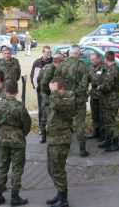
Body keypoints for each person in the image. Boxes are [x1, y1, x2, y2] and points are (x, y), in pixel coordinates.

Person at [0, 80, 31, 206]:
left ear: (6, 90)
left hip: (2, 140)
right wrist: (21, 134)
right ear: (17, 91)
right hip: (17, 141)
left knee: (2, 166)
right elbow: (27, 124)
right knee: (17, 168)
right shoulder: (20, 106)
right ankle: (15, 196)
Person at [54, 44, 89, 157]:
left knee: (65, 123)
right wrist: (75, 93)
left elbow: (56, 82)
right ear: (78, 53)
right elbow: (84, 83)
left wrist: (64, 94)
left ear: (69, 53)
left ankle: (65, 149)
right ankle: (82, 149)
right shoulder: (81, 65)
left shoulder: (61, 64)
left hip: (64, 99)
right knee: (80, 124)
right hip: (78, 99)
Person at [46, 77, 75, 207]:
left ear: (62, 89)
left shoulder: (69, 98)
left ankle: (64, 200)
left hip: (61, 140)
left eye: (55, 90)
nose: (53, 93)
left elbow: (56, 105)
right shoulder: (57, 98)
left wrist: (53, 93)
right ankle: (59, 193)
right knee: (51, 169)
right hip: (53, 139)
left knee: (58, 170)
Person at [97, 51, 119, 152]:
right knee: (106, 121)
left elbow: (107, 86)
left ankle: (115, 144)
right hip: (108, 100)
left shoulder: (112, 70)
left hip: (111, 101)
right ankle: (108, 140)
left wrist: (99, 87)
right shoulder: (113, 68)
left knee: (111, 122)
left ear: (105, 58)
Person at [38, 53, 65, 143]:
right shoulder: (51, 69)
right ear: (58, 61)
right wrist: (50, 93)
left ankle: (47, 134)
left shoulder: (48, 67)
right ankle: (44, 135)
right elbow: (44, 83)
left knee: (49, 115)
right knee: (46, 115)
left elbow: (39, 79)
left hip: (49, 94)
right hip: (48, 95)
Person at [30, 45, 53, 143]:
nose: (49, 54)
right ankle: (42, 128)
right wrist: (36, 86)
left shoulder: (53, 62)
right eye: (47, 52)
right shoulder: (37, 62)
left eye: (50, 52)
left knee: (52, 109)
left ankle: (51, 127)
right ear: (43, 52)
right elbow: (33, 75)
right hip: (41, 91)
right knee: (41, 110)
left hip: (52, 91)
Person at [87, 53, 106, 141]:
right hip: (93, 93)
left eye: (93, 59)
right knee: (95, 114)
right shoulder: (90, 67)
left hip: (102, 94)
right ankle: (96, 131)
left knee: (102, 114)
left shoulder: (105, 67)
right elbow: (87, 78)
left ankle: (103, 133)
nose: (92, 61)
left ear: (98, 59)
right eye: (91, 59)